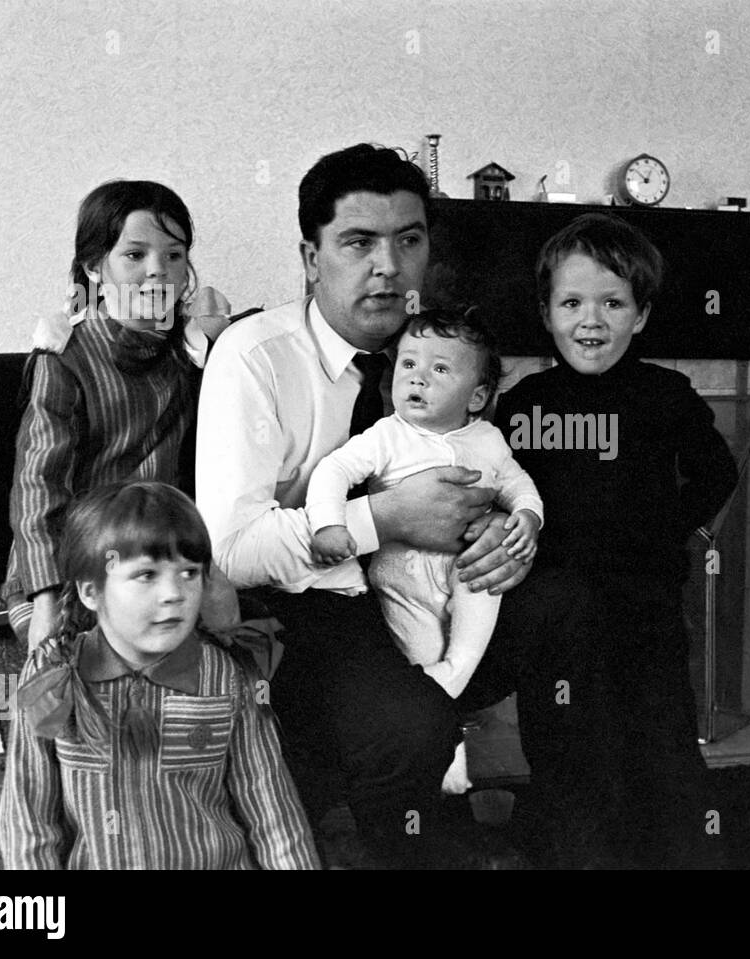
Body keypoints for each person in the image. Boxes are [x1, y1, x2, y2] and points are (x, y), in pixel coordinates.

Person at [195, 144, 609, 867]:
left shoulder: (444, 353)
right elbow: (230, 546)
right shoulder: (255, 356)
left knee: (571, 600)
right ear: (311, 255)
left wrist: (510, 538)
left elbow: (494, 471)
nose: (388, 265)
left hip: (444, 591)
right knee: (407, 724)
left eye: (408, 241)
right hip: (323, 607)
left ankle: (563, 831)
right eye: (359, 242)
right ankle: (405, 835)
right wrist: (383, 519)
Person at [494, 212, 738, 868]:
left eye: (612, 302)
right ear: (546, 314)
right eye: (571, 302)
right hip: (557, 614)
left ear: (642, 314)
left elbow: (719, 471)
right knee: (568, 746)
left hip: (648, 608)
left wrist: (669, 529)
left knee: (662, 745)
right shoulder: (525, 404)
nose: (591, 320)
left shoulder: (666, 395)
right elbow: (503, 492)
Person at [0, 481, 320, 870]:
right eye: (147, 574)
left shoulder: (227, 677)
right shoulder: (51, 673)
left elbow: (272, 812)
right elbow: (28, 820)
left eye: (188, 573)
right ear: (90, 592)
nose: (173, 593)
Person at [305, 309, 543, 795]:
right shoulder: (387, 435)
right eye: (408, 364)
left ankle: (458, 672)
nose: (417, 377)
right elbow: (332, 472)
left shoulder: (488, 439)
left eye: (439, 369)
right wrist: (330, 523)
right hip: (403, 577)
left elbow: (521, 484)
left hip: (466, 568)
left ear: (477, 397)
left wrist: (528, 517)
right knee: (421, 663)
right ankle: (447, 764)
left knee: (480, 597)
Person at [2, 180, 238, 649]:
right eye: (135, 256)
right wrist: (47, 601)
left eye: (174, 256)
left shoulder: (192, 349)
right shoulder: (65, 355)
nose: (158, 272)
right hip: (71, 568)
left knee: (235, 638)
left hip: (163, 558)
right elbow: (38, 485)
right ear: (95, 266)